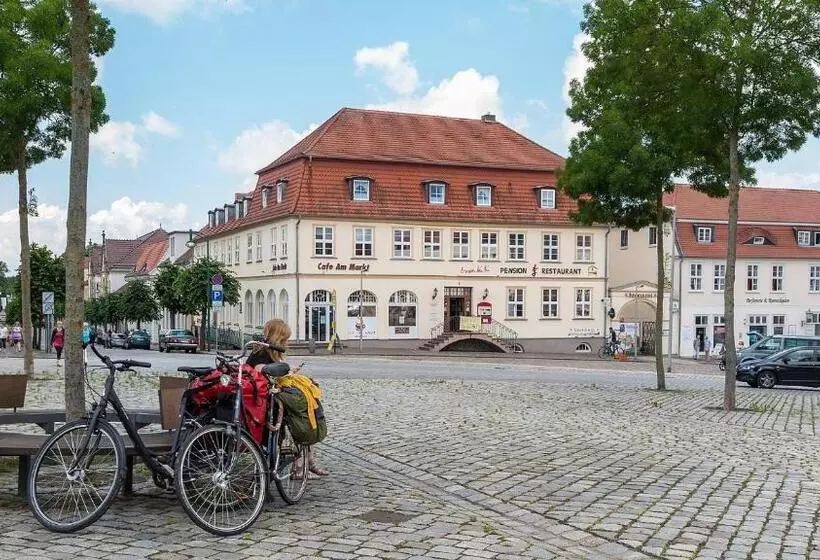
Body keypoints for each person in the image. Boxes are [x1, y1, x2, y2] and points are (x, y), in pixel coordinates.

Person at [246, 318, 328, 479]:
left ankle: (308, 462)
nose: (287, 343)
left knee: (309, 399)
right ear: (279, 337)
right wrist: (287, 369)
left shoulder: (267, 350)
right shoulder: (262, 352)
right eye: (285, 339)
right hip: (264, 399)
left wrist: (290, 372)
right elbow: (262, 370)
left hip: (267, 394)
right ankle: (301, 466)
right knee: (303, 415)